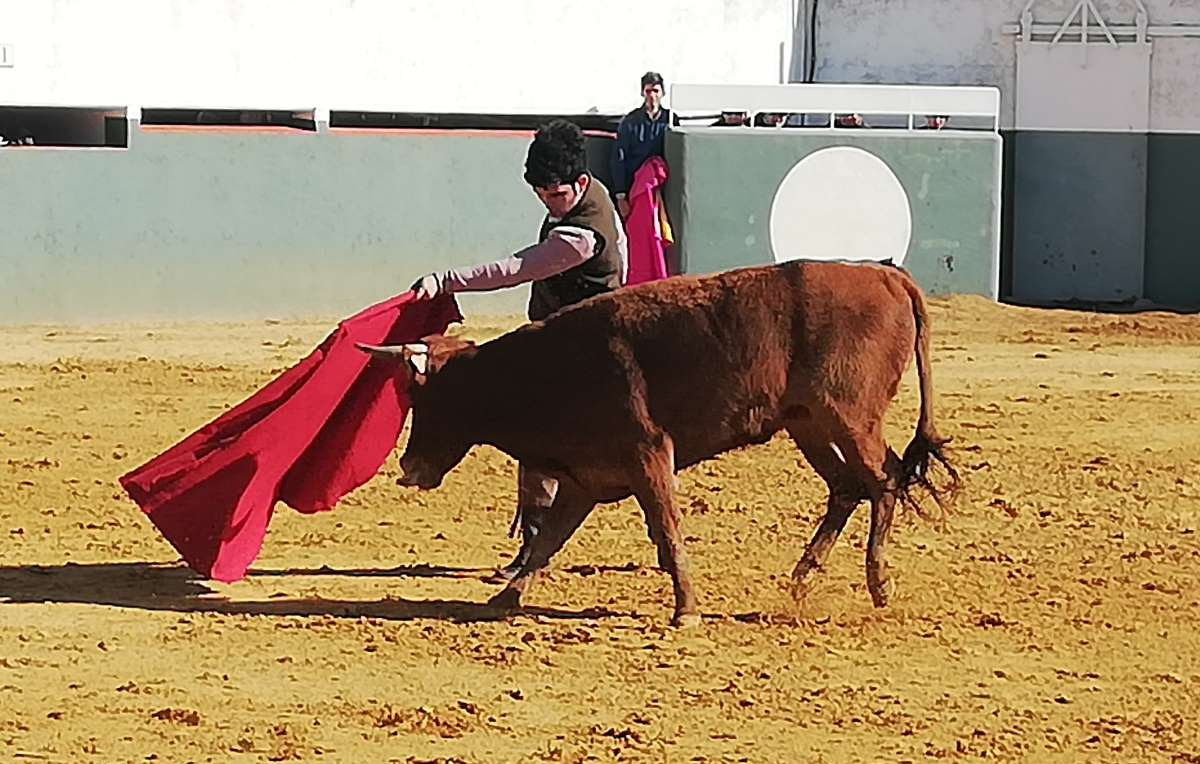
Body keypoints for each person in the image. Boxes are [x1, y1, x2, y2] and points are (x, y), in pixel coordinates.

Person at [407, 119, 628, 581]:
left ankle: (533, 548)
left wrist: (446, 280)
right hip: (567, 340)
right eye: (542, 195)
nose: (549, 202)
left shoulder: (581, 236)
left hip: (579, 352)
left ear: (579, 183)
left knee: (536, 437)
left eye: (556, 195)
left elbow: (516, 269)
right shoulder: (591, 196)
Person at [611, 71, 672, 221]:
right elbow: (618, 158)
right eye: (648, 91)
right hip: (636, 190)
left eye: (656, 91)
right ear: (642, 93)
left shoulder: (670, 120)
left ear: (662, 93)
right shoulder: (630, 122)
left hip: (663, 191)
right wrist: (621, 196)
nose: (652, 96)